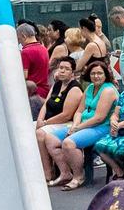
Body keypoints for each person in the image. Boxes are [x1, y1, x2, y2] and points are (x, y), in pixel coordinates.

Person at [44, 57, 118, 191]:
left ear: (105, 74)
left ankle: (78, 176)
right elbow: (79, 111)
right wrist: (75, 125)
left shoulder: (108, 90)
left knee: (69, 143)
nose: (96, 76)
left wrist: (77, 128)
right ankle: (65, 173)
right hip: (82, 125)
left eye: (99, 73)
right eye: (93, 73)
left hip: (101, 127)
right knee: (50, 138)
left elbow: (99, 118)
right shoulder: (89, 88)